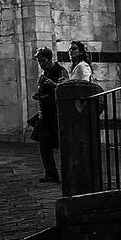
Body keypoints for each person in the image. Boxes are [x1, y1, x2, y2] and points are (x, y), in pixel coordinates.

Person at [30, 47, 68, 184]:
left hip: (56, 113)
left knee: (62, 143)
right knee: (43, 143)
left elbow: (65, 88)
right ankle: (51, 173)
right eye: (39, 61)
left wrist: (53, 84)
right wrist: (38, 95)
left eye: (43, 61)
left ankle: (68, 172)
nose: (41, 64)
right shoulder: (44, 73)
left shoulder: (60, 70)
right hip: (45, 114)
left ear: (49, 59)